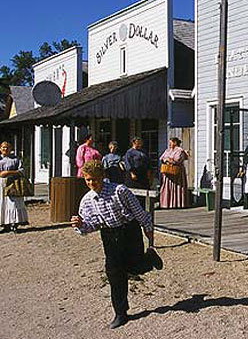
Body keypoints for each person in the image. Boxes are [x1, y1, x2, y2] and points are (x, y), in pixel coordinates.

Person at [70, 160, 163, 329]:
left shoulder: (120, 191)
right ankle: (121, 313)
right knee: (114, 273)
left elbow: (141, 215)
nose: (91, 183)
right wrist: (80, 225)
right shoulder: (87, 201)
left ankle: (149, 258)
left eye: (94, 179)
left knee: (134, 268)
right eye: (88, 180)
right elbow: (90, 227)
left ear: (103, 176)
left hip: (129, 231)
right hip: (109, 235)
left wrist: (151, 242)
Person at [0, 141, 29, 232]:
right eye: (3, 147)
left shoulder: (15, 159)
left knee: (13, 203)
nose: (5, 149)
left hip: (13, 183)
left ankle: (14, 223)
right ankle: (5, 224)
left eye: (7, 147)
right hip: (1, 183)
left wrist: (9, 172)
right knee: (2, 203)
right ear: (0, 149)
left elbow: (22, 170)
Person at [159, 137, 189, 208]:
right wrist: (166, 160)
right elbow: (162, 158)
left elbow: (177, 160)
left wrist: (168, 160)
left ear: (175, 143)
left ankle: (177, 204)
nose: (169, 144)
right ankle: (167, 204)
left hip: (176, 172)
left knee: (177, 187)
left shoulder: (180, 150)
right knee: (167, 187)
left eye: (171, 142)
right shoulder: (168, 150)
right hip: (167, 171)